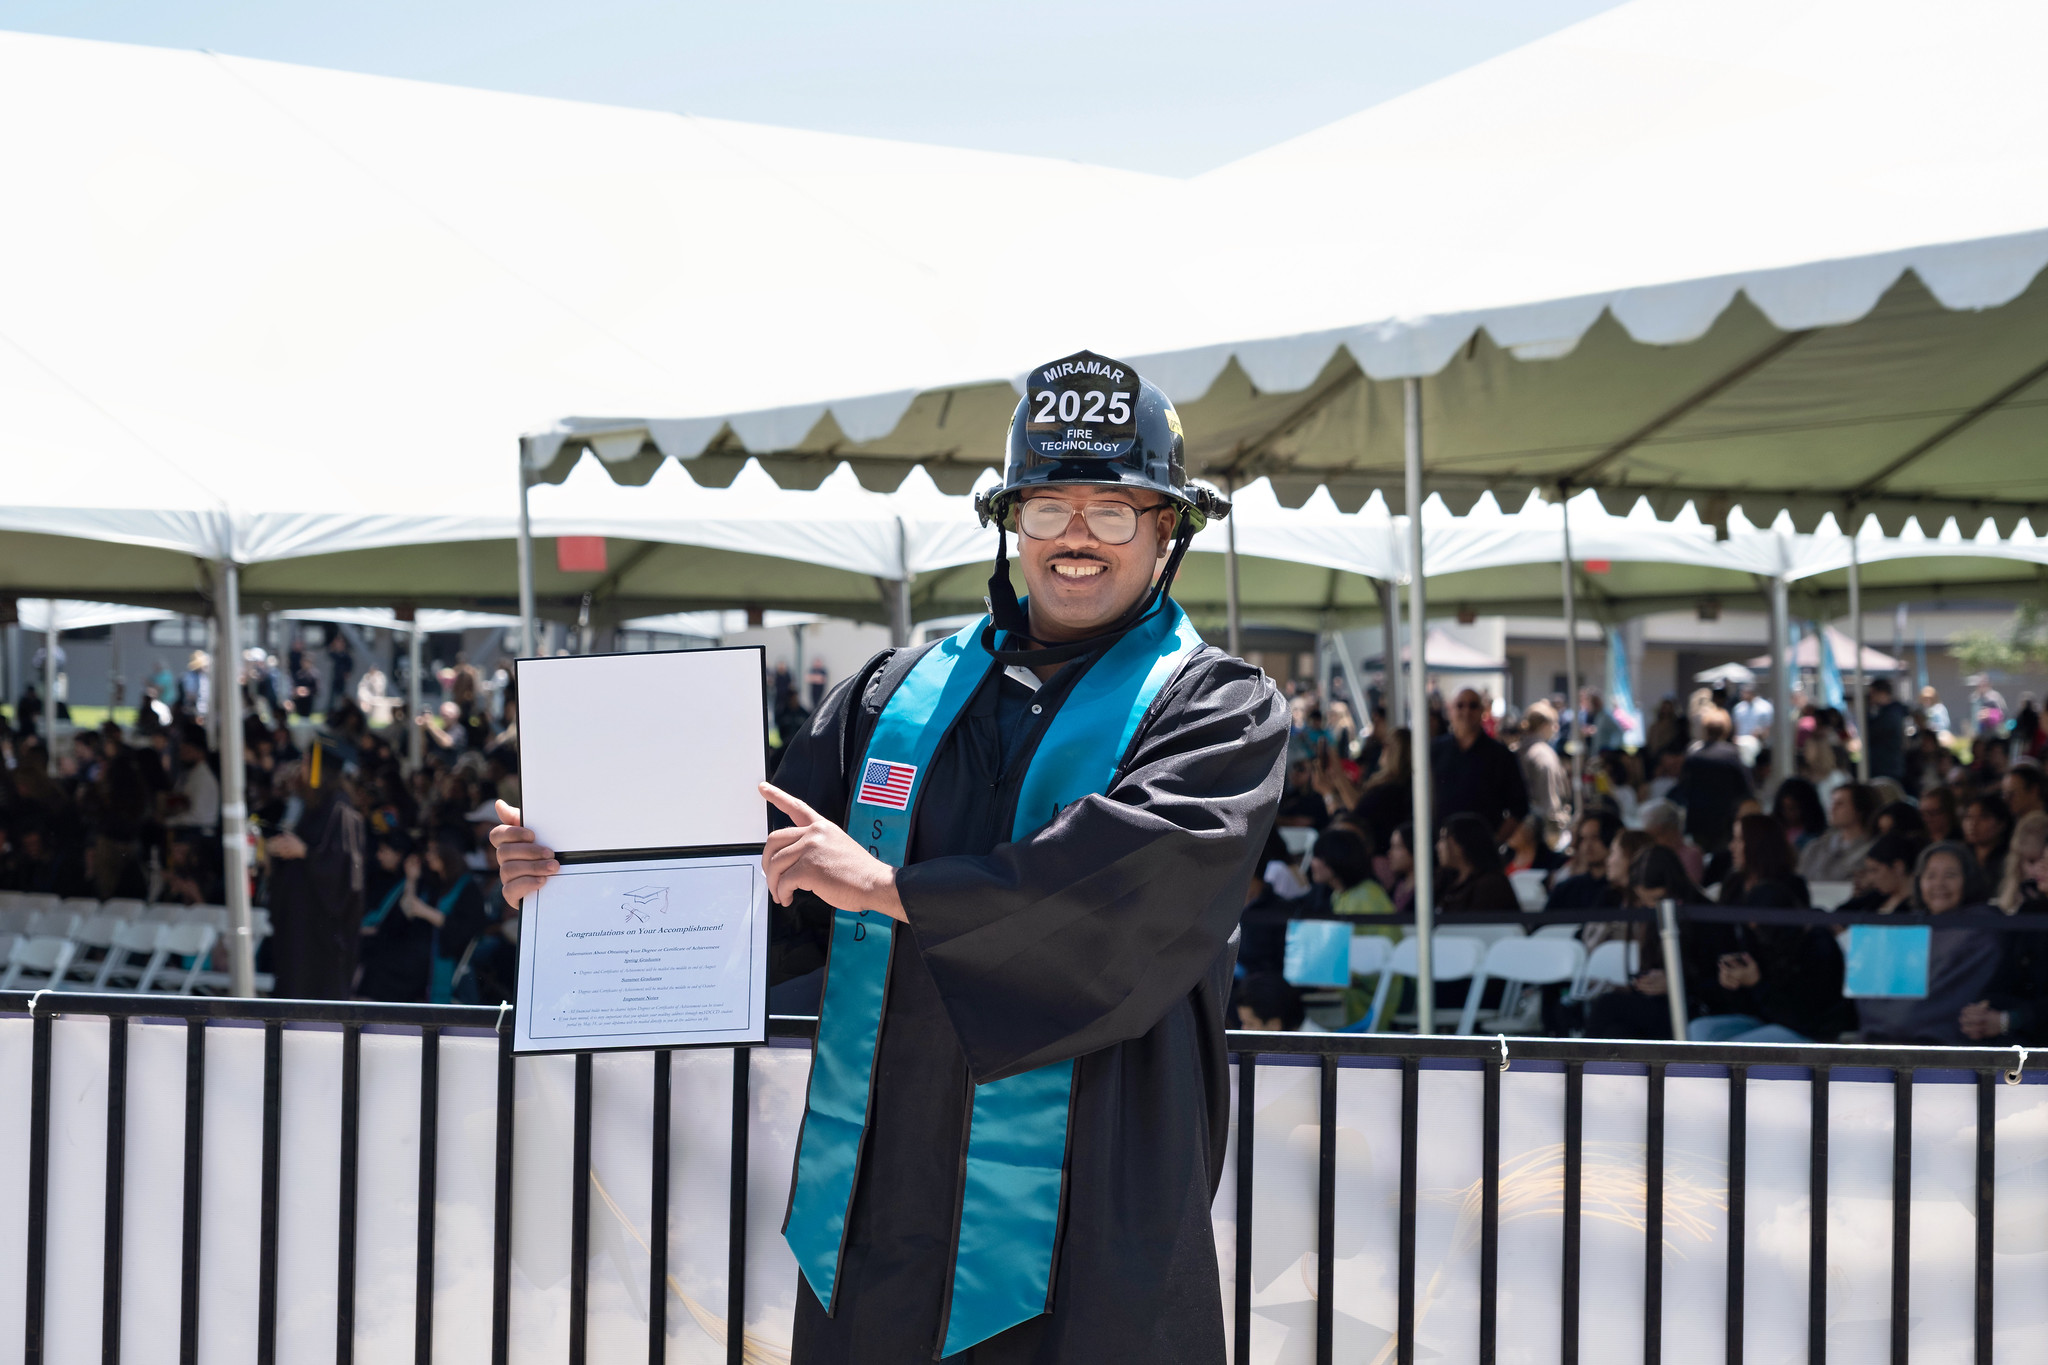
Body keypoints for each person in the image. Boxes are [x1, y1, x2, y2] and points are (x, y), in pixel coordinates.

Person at [495, 349, 1285, 1365]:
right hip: (884, 1205)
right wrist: (572, 877)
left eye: (1114, 508)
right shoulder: (888, 697)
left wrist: (893, 889)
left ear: (1164, 529)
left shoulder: (1213, 710)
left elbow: (1127, 889)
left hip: (1091, 1217)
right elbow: (767, 885)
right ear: (1011, 524)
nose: (1076, 536)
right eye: (1047, 507)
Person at [1857, 843, 2004, 1045]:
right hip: (1886, 1042)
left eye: (1950, 875)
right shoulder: (1909, 925)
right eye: (1930, 876)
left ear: (1968, 880)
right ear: (1919, 882)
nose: (1939, 884)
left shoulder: (1981, 926)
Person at [264, 741, 367, 1000]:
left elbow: (346, 869)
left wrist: (305, 852)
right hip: (300, 920)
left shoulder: (341, 810)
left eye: (308, 762)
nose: (303, 768)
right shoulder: (311, 805)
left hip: (322, 927)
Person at [1962, 813, 2048, 1043]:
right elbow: (2004, 975)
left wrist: (2007, 1020)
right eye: (2031, 860)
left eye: (2043, 858)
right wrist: (1983, 1009)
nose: (2039, 867)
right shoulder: (2029, 913)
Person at [1431, 687, 1528, 841]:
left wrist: (1495, 842)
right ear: (1450, 711)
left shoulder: (1500, 755)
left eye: (1473, 705)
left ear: (1482, 711)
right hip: (1439, 848)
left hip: (1482, 852)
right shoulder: (1434, 750)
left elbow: (1520, 807)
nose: (1467, 711)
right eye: (1460, 705)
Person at [1667, 707, 1752, 853]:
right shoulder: (1732, 754)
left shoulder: (1693, 754)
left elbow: (1683, 787)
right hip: (1724, 820)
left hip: (1698, 820)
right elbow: (1746, 789)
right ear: (1726, 729)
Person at [1721, 813, 1811, 909]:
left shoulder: (1793, 885)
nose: (1731, 847)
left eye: (1739, 840)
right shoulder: (1733, 882)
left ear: (1759, 844)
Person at [1434, 812, 1519, 914]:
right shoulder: (1446, 882)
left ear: (1460, 844)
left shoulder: (1491, 886)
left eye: (1443, 839)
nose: (1438, 846)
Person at [1797, 783, 1879, 883]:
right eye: (1832, 803)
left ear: (1860, 810)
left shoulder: (1874, 850)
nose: (1832, 809)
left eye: (1840, 804)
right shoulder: (1815, 848)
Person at [1547, 809, 1623, 911]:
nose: (1587, 846)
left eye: (1595, 838)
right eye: (1583, 839)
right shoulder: (1567, 889)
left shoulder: (1623, 891)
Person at [1517, 701, 1571, 844]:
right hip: (1540, 828)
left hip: (1522, 824)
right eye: (1554, 724)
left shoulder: (1519, 749)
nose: (1556, 729)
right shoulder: (1542, 754)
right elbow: (1548, 797)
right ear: (1544, 726)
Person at [1838, 833, 1923, 913]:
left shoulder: (1918, 906)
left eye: (1875, 870)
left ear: (1898, 867)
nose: (1871, 878)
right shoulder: (1875, 898)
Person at [1638, 798, 1705, 886]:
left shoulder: (1691, 855)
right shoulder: (1650, 855)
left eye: (1654, 836)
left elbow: (1686, 892)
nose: (1650, 842)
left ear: (1670, 830)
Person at [1862, 678, 1910, 782]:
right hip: (1886, 766)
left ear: (1882, 693)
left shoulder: (1892, 714)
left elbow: (1872, 733)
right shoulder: (1890, 712)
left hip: (1887, 768)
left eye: (1872, 693)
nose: (1871, 698)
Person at [1963, 792, 2015, 887]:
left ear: (2001, 824)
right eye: (1969, 817)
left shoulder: (2010, 859)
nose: (1973, 824)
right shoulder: (1960, 857)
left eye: (1983, 817)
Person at [1234, 972, 1310, 1032]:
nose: (1243, 1029)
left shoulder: (1313, 1048)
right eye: (1243, 1023)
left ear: (1274, 1024)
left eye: (1250, 1024)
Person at [1771, 778, 1827, 849]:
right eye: (1783, 808)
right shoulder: (1775, 832)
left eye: (1792, 808)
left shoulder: (1818, 838)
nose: (1787, 813)